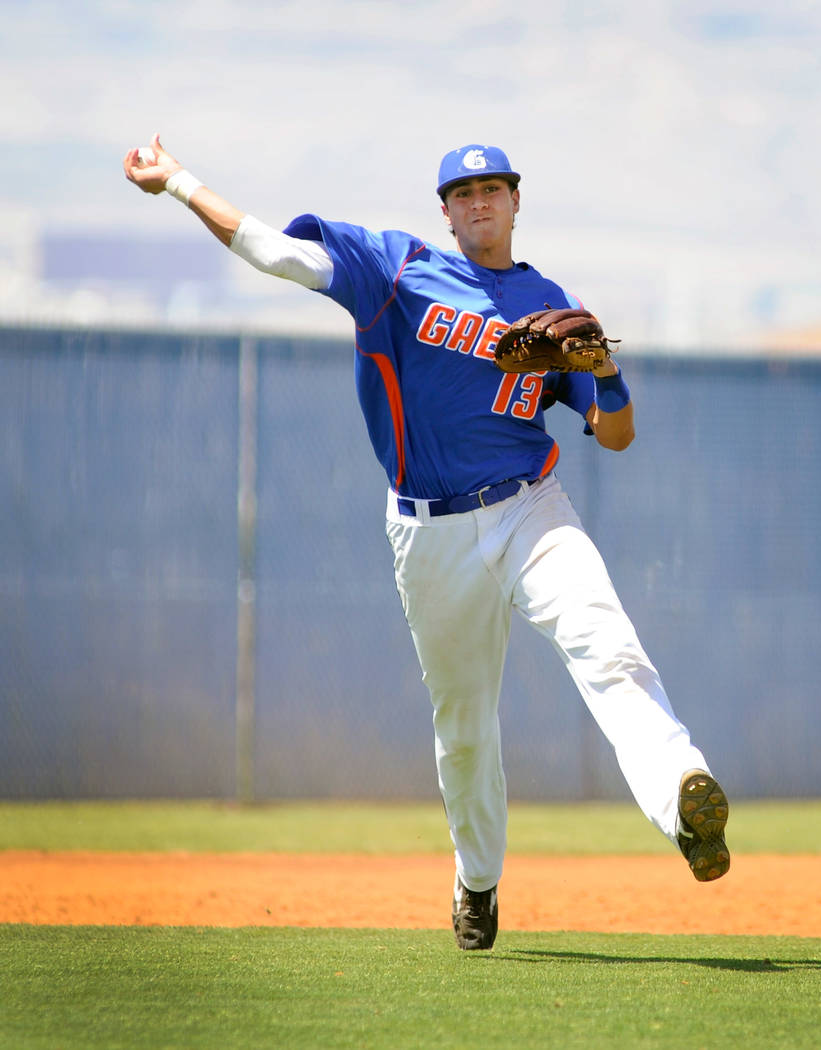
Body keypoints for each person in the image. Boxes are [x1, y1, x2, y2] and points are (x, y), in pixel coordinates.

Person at [123, 135, 731, 950]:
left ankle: (684, 796)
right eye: (461, 191)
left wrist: (607, 375)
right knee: (464, 726)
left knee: (608, 648)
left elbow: (614, 436)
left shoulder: (552, 301)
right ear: (443, 212)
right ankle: (475, 880)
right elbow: (270, 251)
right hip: (428, 530)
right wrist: (178, 183)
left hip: (529, 509)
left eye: (492, 187)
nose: (478, 201)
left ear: (517, 200)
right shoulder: (395, 269)